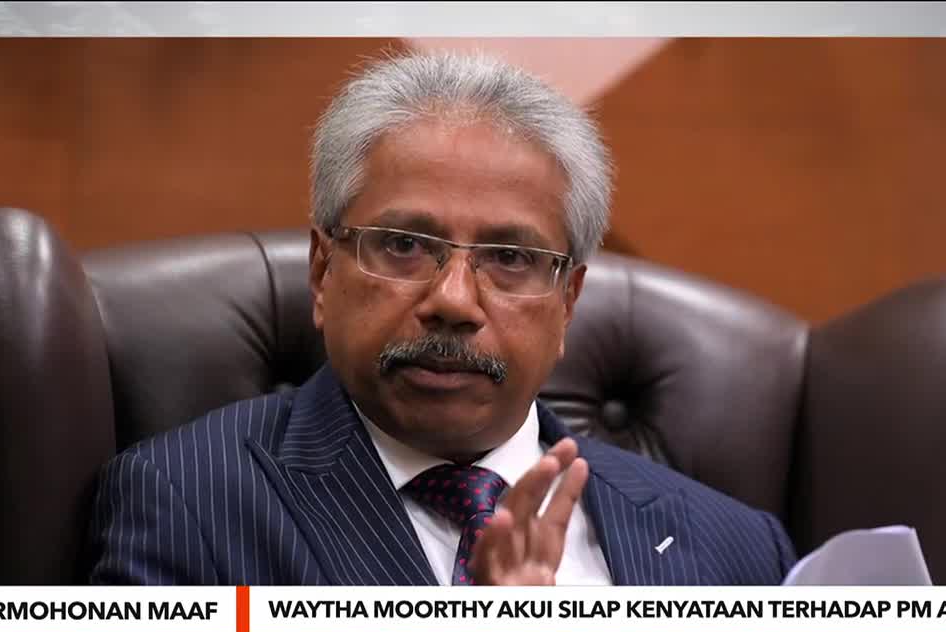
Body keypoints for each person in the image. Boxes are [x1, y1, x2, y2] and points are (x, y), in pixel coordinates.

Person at [87, 51, 798, 586]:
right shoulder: (185, 499)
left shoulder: (737, 549)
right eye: (402, 246)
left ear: (567, 303)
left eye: (511, 258)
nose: (453, 302)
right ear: (322, 272)